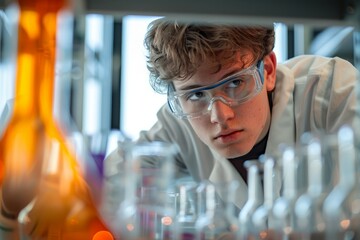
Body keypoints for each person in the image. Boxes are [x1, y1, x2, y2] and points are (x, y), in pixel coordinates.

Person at [107, 17, 359, 208]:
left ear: (268, 70)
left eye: (235, 83)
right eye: (196, 94)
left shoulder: (333, 91)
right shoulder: (179, 122)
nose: (219, 115)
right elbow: (105, 186)